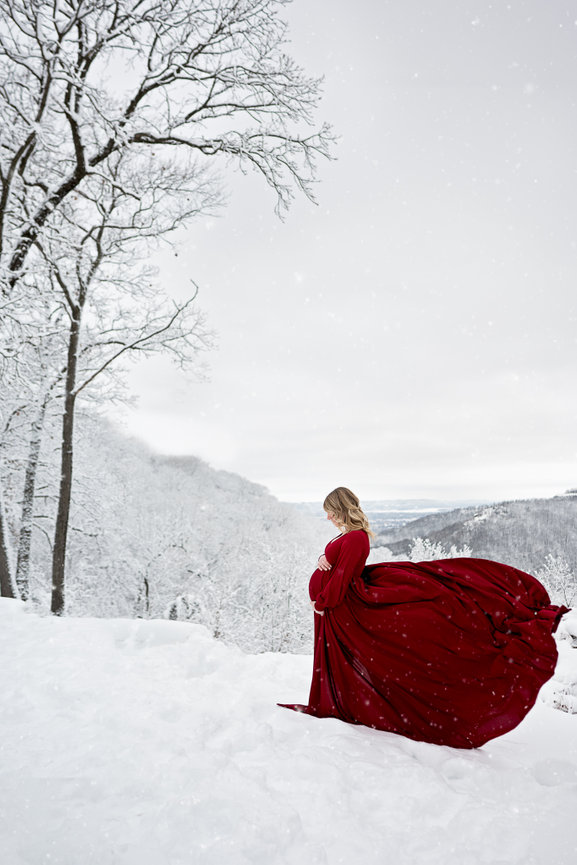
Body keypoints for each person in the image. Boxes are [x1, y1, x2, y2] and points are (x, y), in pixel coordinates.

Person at [278, 487, 570, 749]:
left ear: (341, 508)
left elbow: (343, 577)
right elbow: (337, 566)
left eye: (330, 511)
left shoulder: (355, 538)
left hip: (343, 606)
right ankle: (349, 702)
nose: (327, 517)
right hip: (338, 608)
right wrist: (323, 561)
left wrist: (322, 602)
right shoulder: (348, 535)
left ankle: (373, 706)